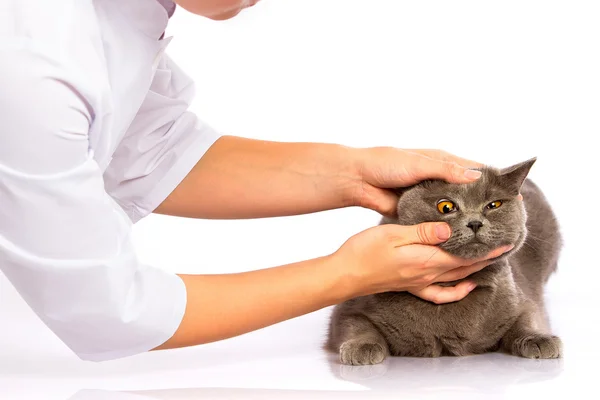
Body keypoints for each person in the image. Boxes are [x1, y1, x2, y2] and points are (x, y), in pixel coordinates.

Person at [0, 0, 513, 362]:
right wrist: (349, 274)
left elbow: (145, 151)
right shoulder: (31, 61)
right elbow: (109, 311)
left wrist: (355, 173)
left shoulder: (109, 16)